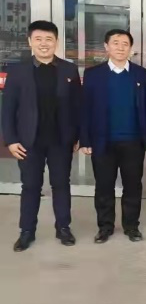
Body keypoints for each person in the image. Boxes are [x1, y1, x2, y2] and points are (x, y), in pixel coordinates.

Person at [1, 21, 81, 252]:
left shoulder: (69, 70)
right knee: (30, 186)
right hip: (28, 141)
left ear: (56, 42)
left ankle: (63, 227)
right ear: (30, 42)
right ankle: (27, 231)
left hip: (60, 140)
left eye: (49, 39)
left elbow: (77, 106)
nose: (44, 44)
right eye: (38, 39)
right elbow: (8, 109)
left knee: (61, 184)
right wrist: (11, 140)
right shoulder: (18, 71)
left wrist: (77, 136)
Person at [80, 29, 146, 244]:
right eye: (115, 43)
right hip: (103, 141)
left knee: (133, 186)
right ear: (106, 46)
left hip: (133, 141)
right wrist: (85, 139)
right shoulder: (93, 74)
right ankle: (105, 227)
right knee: (104, 186)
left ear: (130, 48)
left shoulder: (142, 74)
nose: (120, 47)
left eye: (125, 44)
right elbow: (84, 109)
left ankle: (132, 226)